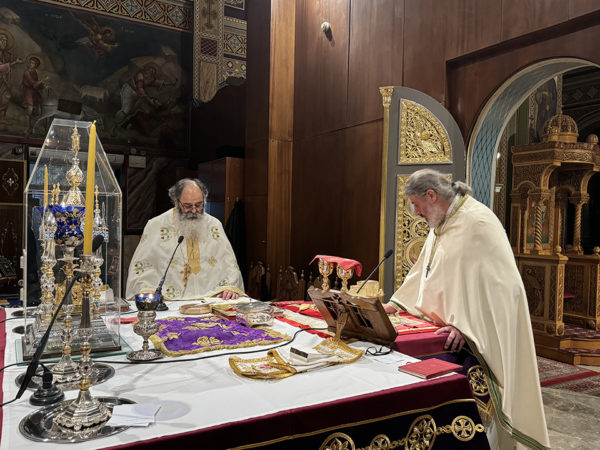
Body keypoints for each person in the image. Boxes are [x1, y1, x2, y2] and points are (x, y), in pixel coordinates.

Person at [383, 169, 549, 450]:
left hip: (478, 340)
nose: (416, 212)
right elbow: (426, 271)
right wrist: (397, 304)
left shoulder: (478, 222)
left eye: (416, 204)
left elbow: (500, 290)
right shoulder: (442, 223)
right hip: (443, 329)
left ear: (431, 195)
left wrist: (468, 326)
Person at [126, 178, 244, 301]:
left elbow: (229, 264)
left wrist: (229, 288)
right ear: (176, 201)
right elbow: (143, 268)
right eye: (188, 206)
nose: (194, 210)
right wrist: (148, 290)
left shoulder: (214, 225)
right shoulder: (156, 225)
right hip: (169, 302)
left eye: (199, 205)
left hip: (210, 299)